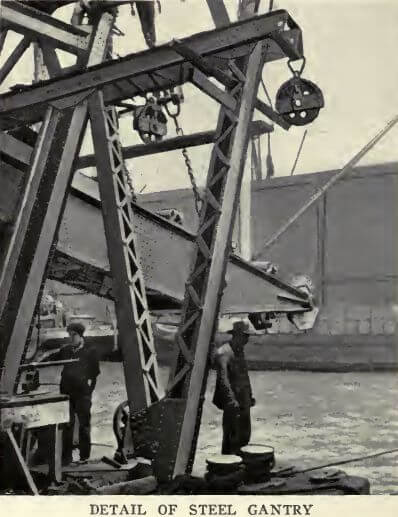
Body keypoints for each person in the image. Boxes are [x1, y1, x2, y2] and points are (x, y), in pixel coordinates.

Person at [38, 322, 100, 465]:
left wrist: (88, 392)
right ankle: (67, 457)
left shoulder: (91, 351)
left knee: (84, 425)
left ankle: (84, 457)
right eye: (69, 335)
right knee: (67, 424)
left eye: (74, 335)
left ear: (80, 335)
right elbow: (51, 359)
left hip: (83, 393)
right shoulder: (66, 350)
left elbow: (95, 374)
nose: (71, 338)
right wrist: (37, 363)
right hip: (66, 391)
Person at [212, 320, 256, 455]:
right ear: (237, 335)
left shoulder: (239, 350)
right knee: (232, 439)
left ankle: (240, 466)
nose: (247, 339)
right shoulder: (224, 353)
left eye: (247, 336)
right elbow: (223, 379)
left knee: (244, 436)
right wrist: (231, 401)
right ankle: (228, 469)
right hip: (233, 404)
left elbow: (243, 376)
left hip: (244, 402)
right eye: (245, 336)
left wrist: (249, 396)